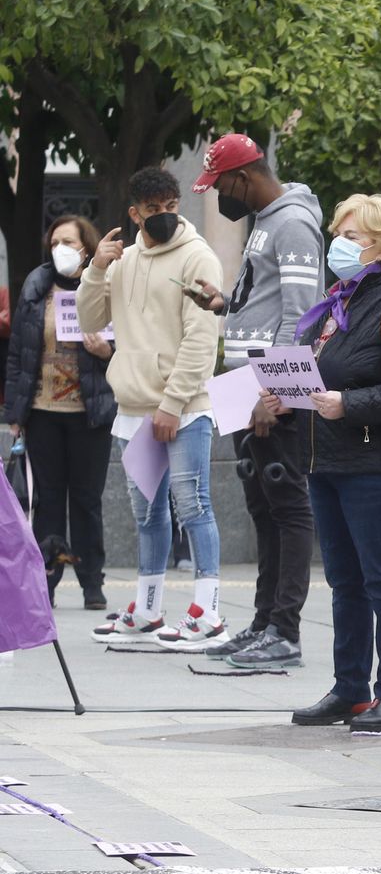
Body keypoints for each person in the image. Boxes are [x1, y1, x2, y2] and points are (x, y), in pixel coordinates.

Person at [273, 195, 381, 724]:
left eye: (353, 235)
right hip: (327, 460)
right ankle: (350, 687)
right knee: (344, 582)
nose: (339, 243)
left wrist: (349, 403)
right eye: (338, 232)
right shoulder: (337, 300)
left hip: (375, 462)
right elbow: (326, 374)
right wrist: (286, 395)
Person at [79, 166, 228, 650]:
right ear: (134, 213)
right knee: (147, 514)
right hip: (133, 407)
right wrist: (97, 267)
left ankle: (208, 614)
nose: (163, 216)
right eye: (153, 210)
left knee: (194, 505)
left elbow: (201, 338)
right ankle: (147, 611)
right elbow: (89, 319)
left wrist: (172, 403)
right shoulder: (120, 261)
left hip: (183, 408)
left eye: (170, 207)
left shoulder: (198, 257)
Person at [190, 134, 324, 668]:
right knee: (261, 509)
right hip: (244, 380)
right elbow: (271, 301)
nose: (220, 194)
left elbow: (302, 312)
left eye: (220, 184)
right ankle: (265, 622)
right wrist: (225, 304)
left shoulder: (291, 222)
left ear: (242, 177)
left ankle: (284, 632)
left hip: (266, 385)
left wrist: (278, 393)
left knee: (285, 506)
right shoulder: (267, 221)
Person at [4, 215, 115, 608]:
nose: (60, 250)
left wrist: (107, 352)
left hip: (90, 412)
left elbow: (130, 342)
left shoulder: (106, 283)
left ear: (87, 246)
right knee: (47, 501)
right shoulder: (37, 286)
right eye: (54, 243)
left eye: (68, 241)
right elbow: (19, 352)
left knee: (87, 499)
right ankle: (45, 583)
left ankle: (92, 583)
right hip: (42, 410)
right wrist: (15, 411)